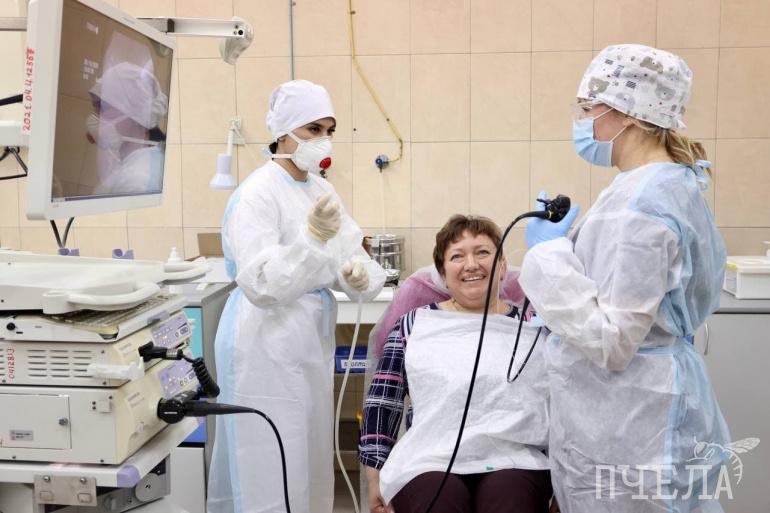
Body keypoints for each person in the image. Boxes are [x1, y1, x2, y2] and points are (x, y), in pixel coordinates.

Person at [519, 44, 730, 512]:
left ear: (627, 113)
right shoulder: (663, 185)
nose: (582, 120)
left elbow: (613, 340)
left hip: (631, 417)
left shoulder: (641, 206)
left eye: (588, 107)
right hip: (639, 405)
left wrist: (547, 255)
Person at [207, 79, 386, 513]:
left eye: (329, 130)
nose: (323, 140)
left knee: (307, 459)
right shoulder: (257, 194)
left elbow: (350, 249)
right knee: (270, 461)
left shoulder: (320, 189)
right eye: (313, 130)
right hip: (264, 342)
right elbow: (262, 284)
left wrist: (360, 275)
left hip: (306, 339)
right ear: (283, 132)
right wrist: (311, 242)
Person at [360, 215, 552, 513]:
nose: (471, 264)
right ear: (442, 273)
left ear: (502, 266)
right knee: (438, 501)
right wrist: (375, 479)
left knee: (509, 498)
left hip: (516, 458)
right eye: (457, 256)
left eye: (483, 252)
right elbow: (383, 403)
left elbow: (563, 407)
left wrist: (566, 486)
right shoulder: (414, 325)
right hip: (428, 459)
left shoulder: (533, 327)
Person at [87, 61, 168, 195]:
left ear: (137, 114)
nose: (97, 116)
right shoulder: (145, 159)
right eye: (96, 108)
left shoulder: (135, 182)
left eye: (103, 107)